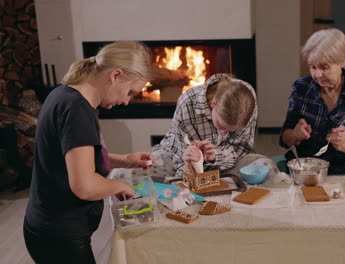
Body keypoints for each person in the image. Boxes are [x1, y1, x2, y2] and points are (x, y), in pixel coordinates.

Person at [23, 41, 155, 263]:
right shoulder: (77, 111)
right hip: (59, 234)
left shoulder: (64, 95)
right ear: (115, 75)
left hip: (47, 227)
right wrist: (121, 186)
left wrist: (123, 160)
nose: (126, 101)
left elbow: (71, 159)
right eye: (130, 92)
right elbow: (85, 186)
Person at [145, 73, 279, 179]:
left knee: (267, 167)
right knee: (142, 169)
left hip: (227, 161)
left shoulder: (247, 97)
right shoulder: (187, 103)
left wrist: (215, 155)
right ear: (213, 104)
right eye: (221, 125)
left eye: (232, 130)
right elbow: (179, 158)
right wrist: (193, 164)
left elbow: (242, 149)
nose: (225, 133)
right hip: (178, 160)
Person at [279, 28, 345, 175]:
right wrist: (295, 134)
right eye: (313, 67)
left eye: (324, 67)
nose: (317, 74)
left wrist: (344, 143)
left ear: (342, 62)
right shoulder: (301, 87)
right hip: (306, 168)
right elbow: (285, 139)